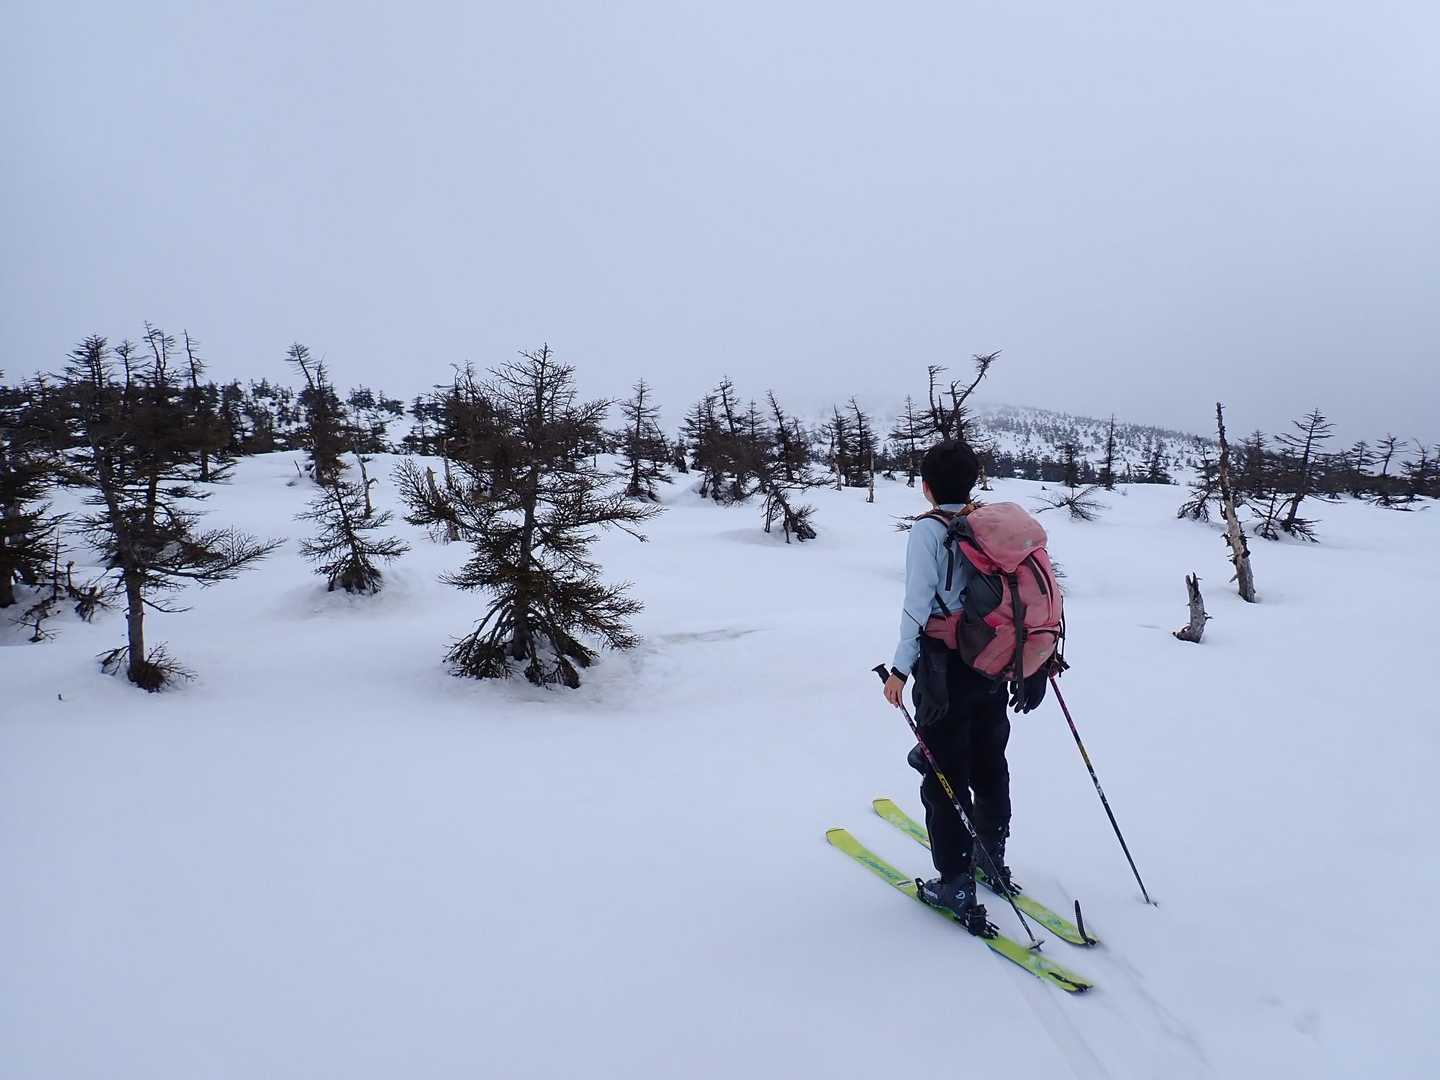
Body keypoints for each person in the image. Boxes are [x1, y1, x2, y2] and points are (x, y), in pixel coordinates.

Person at [881, 441, 1048, 935]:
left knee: (945, 773)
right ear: (973, 481)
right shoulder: (989, 525)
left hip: (944, 667)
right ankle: (991, 854)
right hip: (993, 660)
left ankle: (955, 882)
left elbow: (917, 604)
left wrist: (899, 669)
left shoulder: (929, 531)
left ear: (926, 487)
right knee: (989, 760)